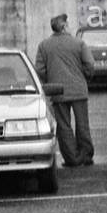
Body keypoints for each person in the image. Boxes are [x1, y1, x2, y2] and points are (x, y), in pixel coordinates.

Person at [34, 13, 96, 167]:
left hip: (57, 91)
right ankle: (86, 155)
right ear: (64, 27)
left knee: (63, 126)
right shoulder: (78, 43)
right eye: (67, 24)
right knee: (82, 124)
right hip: (78, 90)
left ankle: (71, 158)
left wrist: (50, 81)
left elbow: (40, 70)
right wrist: (85, 78)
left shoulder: (43, 46)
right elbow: (90, 65)